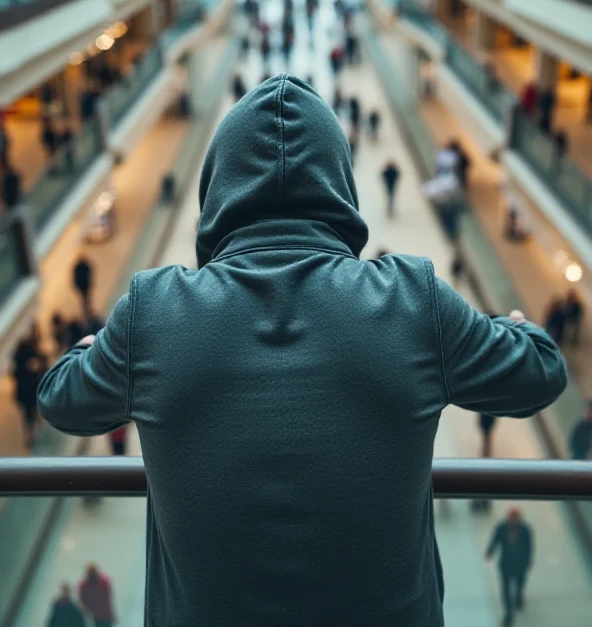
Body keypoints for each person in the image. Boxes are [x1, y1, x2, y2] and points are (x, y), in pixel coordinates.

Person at [38, 75, 567, 627]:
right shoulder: (411, 299)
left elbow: (61, 398)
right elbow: (540, 372)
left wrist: (91, 345)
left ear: (216, 189)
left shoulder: (155, 310)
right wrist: (515, 325)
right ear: (340, 184)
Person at [486, 508, 533, 627]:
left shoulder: (525, 530)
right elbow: (495, 540)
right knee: (506, 591)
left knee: (519, 584)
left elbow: (529, 547)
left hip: (520, 565)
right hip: (506, 565)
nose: (513, 520)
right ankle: (508, 615)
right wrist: (490, 552)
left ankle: (518, 597)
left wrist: (528, 562)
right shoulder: (502, 528)